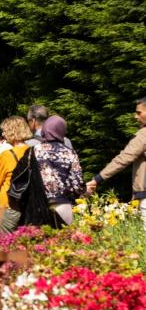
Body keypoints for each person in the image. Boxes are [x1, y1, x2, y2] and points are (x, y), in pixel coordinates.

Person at [87, 97, 146, 226]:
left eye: (139, 112)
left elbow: (124, 158)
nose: (135, 117)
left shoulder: (144, 134)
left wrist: (98, 179)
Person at [34, 116, 84, 225]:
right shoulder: (70, 152)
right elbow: (77, 184)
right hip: (63, 205)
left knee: (41, 241)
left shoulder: (35, 151)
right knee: (64, 241)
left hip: (40, 205)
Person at [0, 116, 33, 232]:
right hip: (29, 207)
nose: (3, 133)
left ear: (12, 132)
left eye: (5, 130)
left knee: (3, 245)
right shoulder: (34, 152)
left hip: (9, 205)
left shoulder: (6, 155)